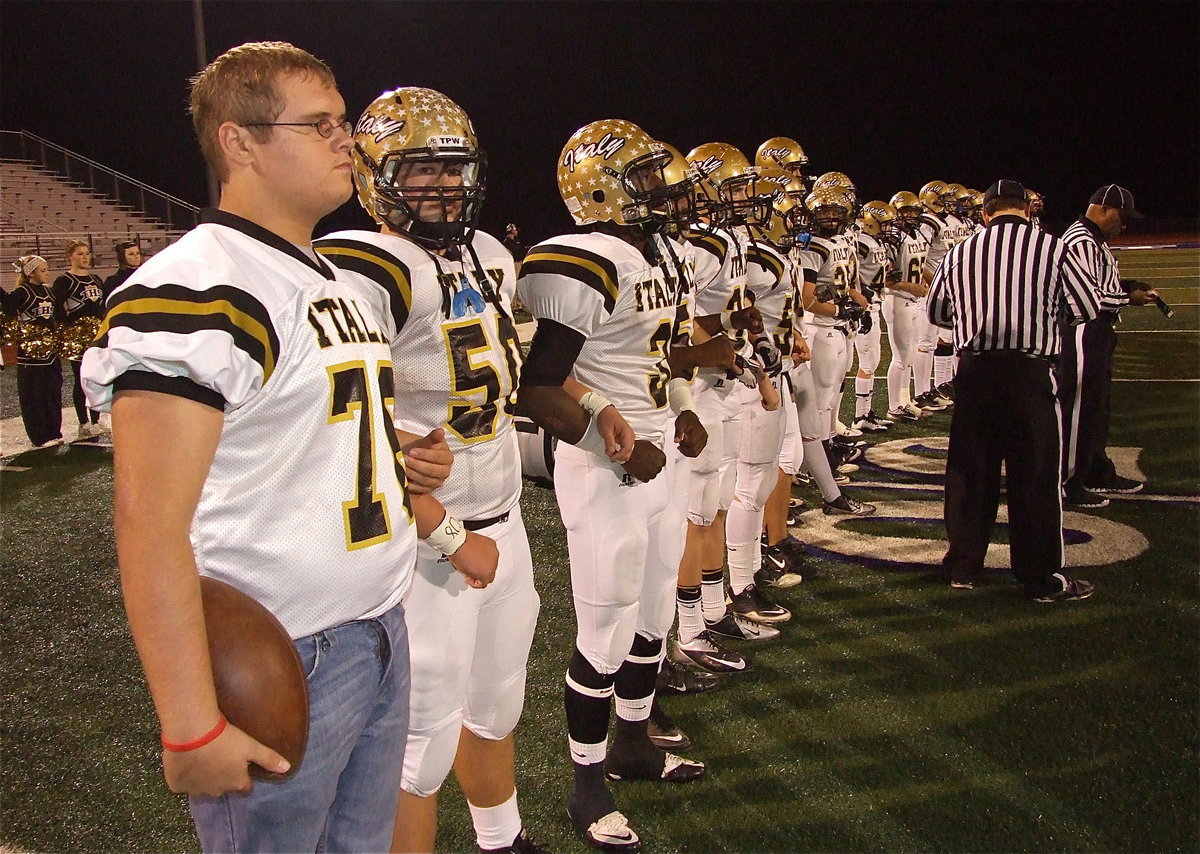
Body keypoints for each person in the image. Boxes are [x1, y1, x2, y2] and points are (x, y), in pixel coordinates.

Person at [80, 41, 495, 854]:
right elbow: (146, 519)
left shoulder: (326, 279)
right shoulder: (198, 285)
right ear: (239, 142)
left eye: (343, 123)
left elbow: (306, 426)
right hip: (286, 650)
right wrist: (190, 726)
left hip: (381, 625)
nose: (348, 142)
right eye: (320, 125)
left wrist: (399, 454)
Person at [314, 86, 546, 854]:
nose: (444, 187)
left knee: (497, 704)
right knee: (419, 747)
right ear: (376, 175)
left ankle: (501, 839)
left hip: (503, 518)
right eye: (420, 171)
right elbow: (345, 431)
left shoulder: (492, 256)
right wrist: (447, 535)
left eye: (454, 170)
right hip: (425, 549)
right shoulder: (366, 264)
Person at [518, 119, 708, 853]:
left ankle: (633, 744)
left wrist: (686, 410)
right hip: (607, 467)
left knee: (655, 612)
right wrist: (613, 440)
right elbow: (538, 386)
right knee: (605, 630)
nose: (663, 189)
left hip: (660, 451)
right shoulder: (588, 259)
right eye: (645, 178)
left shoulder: (660, 252)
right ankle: (586, 786)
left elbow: (667, 351)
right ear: (600, 189)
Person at [926, 179, 1100, 601]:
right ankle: (1040, 578)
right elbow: (1086, 307)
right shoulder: (1052, 247)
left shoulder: (959, 251)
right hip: (1028, 374)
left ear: (985, 212)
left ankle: (963, 567)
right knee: (1036, 478)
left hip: (974, 374)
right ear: (1026, 210)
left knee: (970, 475)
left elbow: (937, 311)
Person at [1058, 184, 1158, 507]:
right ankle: (1068, 482)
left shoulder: (1094, 240)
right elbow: (1089, 296)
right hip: (1082, 331)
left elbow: (1102, 285)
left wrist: (1129, 286)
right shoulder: (1079, 240)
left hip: (1097, 331)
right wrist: (1129, 297)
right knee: (1079, 408)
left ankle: (1095, 470)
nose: (1124, 225)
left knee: (1097, 408)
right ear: (1102, 209)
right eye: (1121, 217)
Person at [3, 255, 64, 447]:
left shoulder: (49, 292)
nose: (47, 274)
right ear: (31, 273)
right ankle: (39, 436)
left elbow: (57, 316)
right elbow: (7, 307)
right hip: (30, 355)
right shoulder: (22, 292)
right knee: (34, 395)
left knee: (53, 391)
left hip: (50, 352)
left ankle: (54, 431)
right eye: (43, 270)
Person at [54, 239, 106, 438]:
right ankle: (83, 422)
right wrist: (69, 328)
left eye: (86, 253)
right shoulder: (64, 281)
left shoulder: (96, 279)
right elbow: (58, 308)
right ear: (70, 257)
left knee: (97, 376)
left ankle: (96, 418)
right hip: (77, 336)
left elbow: (101, 307)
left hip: (96, 335)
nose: (85, 257)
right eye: (80, 254)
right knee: (81, 379)